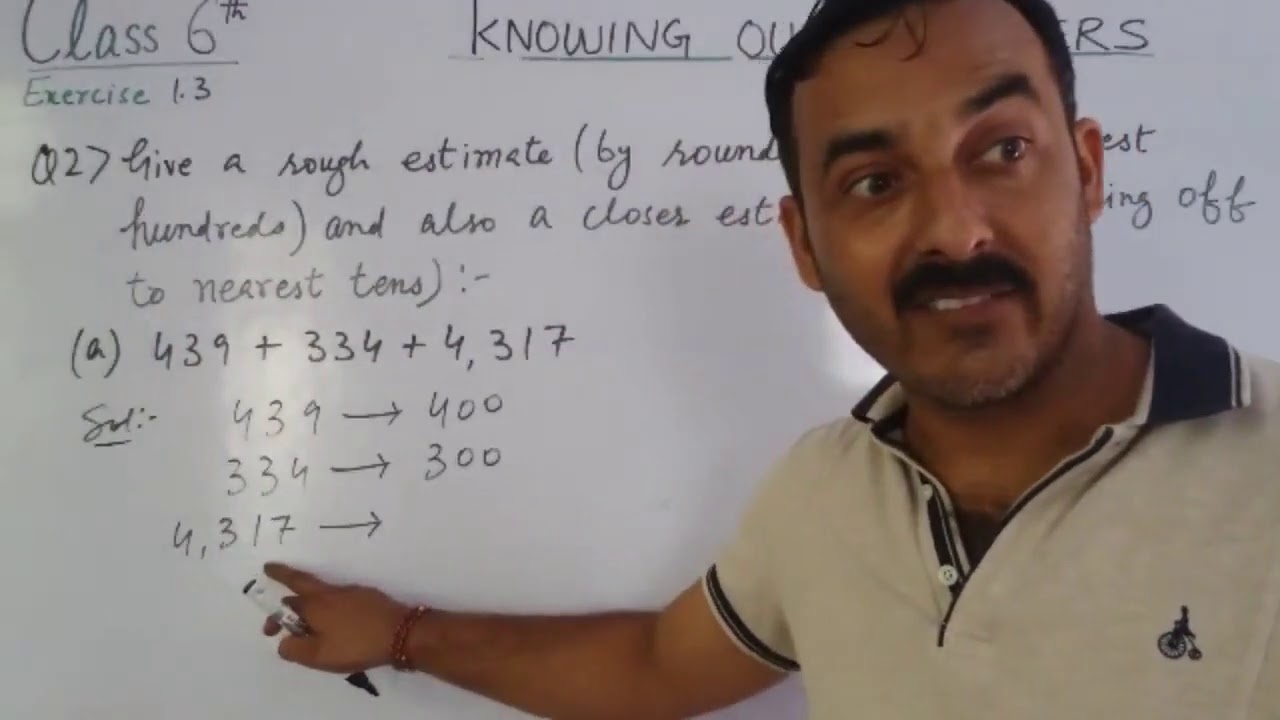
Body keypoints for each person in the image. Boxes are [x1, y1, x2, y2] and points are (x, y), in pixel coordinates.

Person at [259, 0, 1280, 716]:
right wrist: (401, 634)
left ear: (1087, 170)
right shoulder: (823, 489)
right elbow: (655, 667)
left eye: (1002, 151)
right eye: (874, 182)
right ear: (805, 246)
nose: (954, 230)